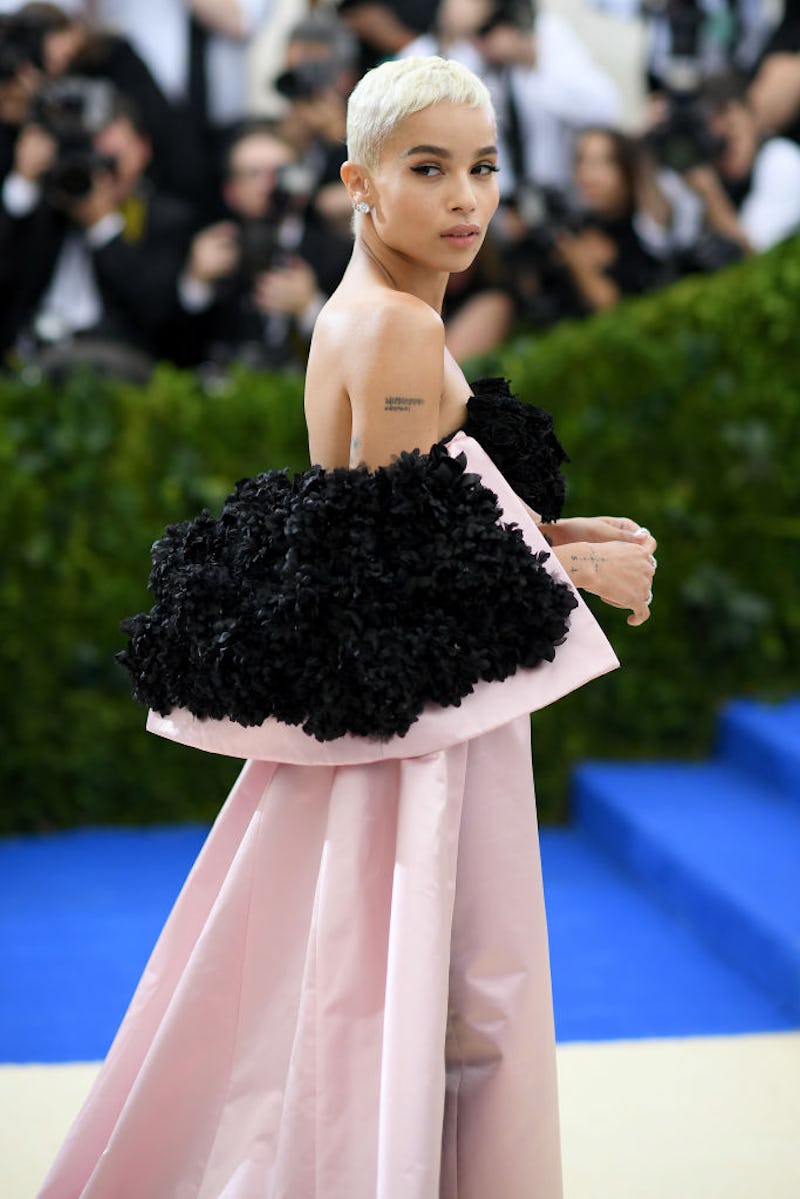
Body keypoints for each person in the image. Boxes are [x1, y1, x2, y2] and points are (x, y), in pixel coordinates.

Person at [38, 56, 657, 1198]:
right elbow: (402, 562)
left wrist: (564, 540)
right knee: (460, 1003)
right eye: (428, 169)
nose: (466, 199)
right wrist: (578, 571)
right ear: (358, 182)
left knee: (398, 1001)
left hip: (424, 717)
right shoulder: (396, 331)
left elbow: (402, 513)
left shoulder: (375, 313)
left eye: (482, 167)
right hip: (426, 737)